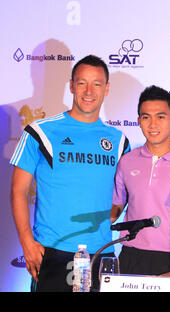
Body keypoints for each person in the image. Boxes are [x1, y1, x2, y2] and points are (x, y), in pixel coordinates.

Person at [10, 55, 130, 291]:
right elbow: (18, 191)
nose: (88, 90)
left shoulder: (119, 140)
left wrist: (113, 213)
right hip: (53, 252)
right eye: (82, 82)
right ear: (72, 85)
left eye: (96, 83)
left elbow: (122, 191)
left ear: (106, 88)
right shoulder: (40, 132)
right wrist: (26, 242)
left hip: (101, 253)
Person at [111, 85, 170, 275]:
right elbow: (116, 207)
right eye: (146, 117)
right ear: (139, 121)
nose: (153, 124)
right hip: (132, 254)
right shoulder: (127, 161)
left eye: (161, 117)